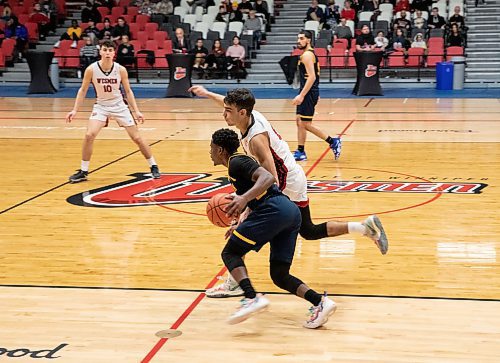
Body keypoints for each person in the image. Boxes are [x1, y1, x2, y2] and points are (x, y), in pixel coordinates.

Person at [188, 86, 389, 298]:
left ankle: (234, 283)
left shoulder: (256, 139)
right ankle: (364, 228)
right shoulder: (249, 114)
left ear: (242, 113)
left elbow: (271, 179)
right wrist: (208, 93)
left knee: (244, 229)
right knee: (309, 230)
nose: (224, 113)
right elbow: (228, 102)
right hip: (294, 175)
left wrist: (246, 210)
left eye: (228, 110)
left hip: (285, 182)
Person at [209, 128, 337, 327]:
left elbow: (268, 178)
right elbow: (257, 196)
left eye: (211, 147)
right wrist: (239, 222)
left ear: (220, 150)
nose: (209, 151)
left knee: (230, 253)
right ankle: (321, 302)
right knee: (279, 274)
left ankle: (251, 298)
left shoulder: (236, 161)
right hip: (289, 213)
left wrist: (243, 198)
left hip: (274, 210)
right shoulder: (235, 166)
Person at [65, 40, 161, 183]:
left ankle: (153, 165)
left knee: (137, 138)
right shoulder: (91, 69)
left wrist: (137, 111)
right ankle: (84, 171)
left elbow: (128, 91)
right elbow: (83, 90)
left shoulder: (120, 69)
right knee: (89, 134)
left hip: (119, 106)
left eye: (110, 50)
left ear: (114, 52)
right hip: (101, 106)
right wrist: (74, 110)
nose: (108, 53)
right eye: (105, 50)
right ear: (100, 51)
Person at [293, 30, 341, 162]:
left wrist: (302, 95)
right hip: (308, 91)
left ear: (308, 40)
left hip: (308, 92)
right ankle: (301, 151)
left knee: (306, 123)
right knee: (299, 122)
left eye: (302, 38)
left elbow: (312, 77)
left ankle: (333, 141)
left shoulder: (307, 55)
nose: (299, 41)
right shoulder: (308, 54)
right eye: (298, 38)